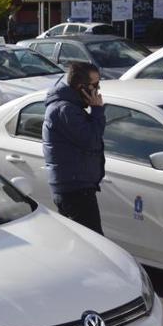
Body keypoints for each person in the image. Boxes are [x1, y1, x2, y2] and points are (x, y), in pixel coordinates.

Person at [42, 62, 106, 234]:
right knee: (94, 246)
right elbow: (91, 139)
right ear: (80, 87)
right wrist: (98, 111)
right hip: (75, 191)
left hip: (76, 188)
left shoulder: (70, 107)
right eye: (94, 85)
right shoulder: (65, 110)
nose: (97, 90)